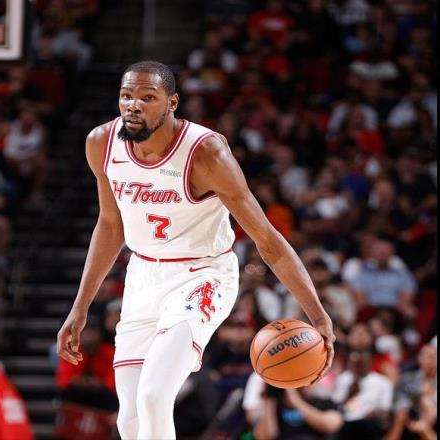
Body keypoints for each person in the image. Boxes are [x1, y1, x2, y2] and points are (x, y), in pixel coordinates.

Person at [56, 61, 335, 440]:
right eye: (126, 96)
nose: (133, 105)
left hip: (202, 275)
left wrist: (318, 315)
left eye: (147, 97)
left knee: (154, 396)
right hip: (143, 275)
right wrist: (80, 306)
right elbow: (109, 225)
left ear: (172, 103)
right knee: (129, 419)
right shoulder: (101, 143)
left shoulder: (206, 154)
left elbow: (268, 241)